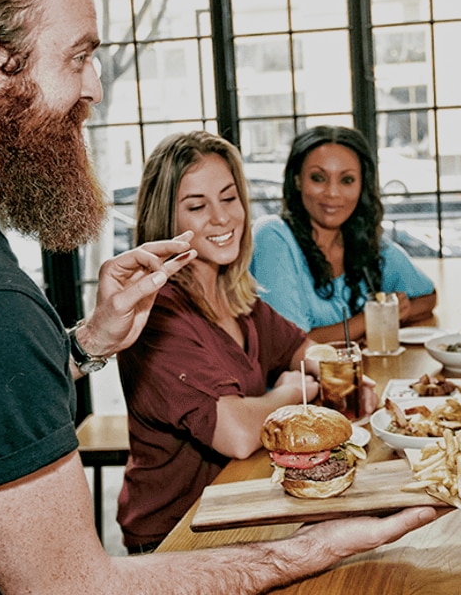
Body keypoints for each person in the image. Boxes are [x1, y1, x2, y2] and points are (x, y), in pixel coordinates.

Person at [0, 0, 437, 593]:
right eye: (80, 56)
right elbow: (75, 587)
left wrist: (85, 343)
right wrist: (308, 550)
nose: (95, 89)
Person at [115, 131, 382, 553]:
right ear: (166, 220)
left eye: (229, 198)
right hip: (178, 536)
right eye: (197, 206)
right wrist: (292, 393)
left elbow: (300, 346)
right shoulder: (157, 312)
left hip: (246, 505)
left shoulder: (234, 293)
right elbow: (237, 433)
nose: (222, 219)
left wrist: (338, 373)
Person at [250, 126, 437, 343]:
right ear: (297, 180)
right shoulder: (272, 236)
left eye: (347, 180)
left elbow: (427, 297)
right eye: (318, 178)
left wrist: (395, 312)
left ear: (361, 186)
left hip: (366, 375)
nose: (332, 192)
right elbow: (290, 345)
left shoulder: (363, 241)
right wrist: (372, 319)